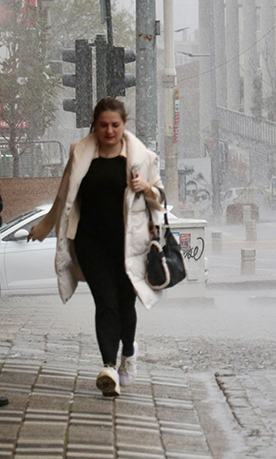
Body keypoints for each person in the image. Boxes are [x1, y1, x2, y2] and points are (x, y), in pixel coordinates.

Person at [28, 97, 165, 397]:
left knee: (126, 305)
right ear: (95, 125)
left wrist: (147, 188)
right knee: (105, 303)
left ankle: (128, 352)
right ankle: (108, 368)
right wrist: (44, 226)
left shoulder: (141, 159)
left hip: (130, 245)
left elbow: (161, 199)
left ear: (124, 125)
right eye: (103, 125)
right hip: (91, 243)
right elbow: (64, 196)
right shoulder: (81, 153)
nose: (109, 131)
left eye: (115, 125)